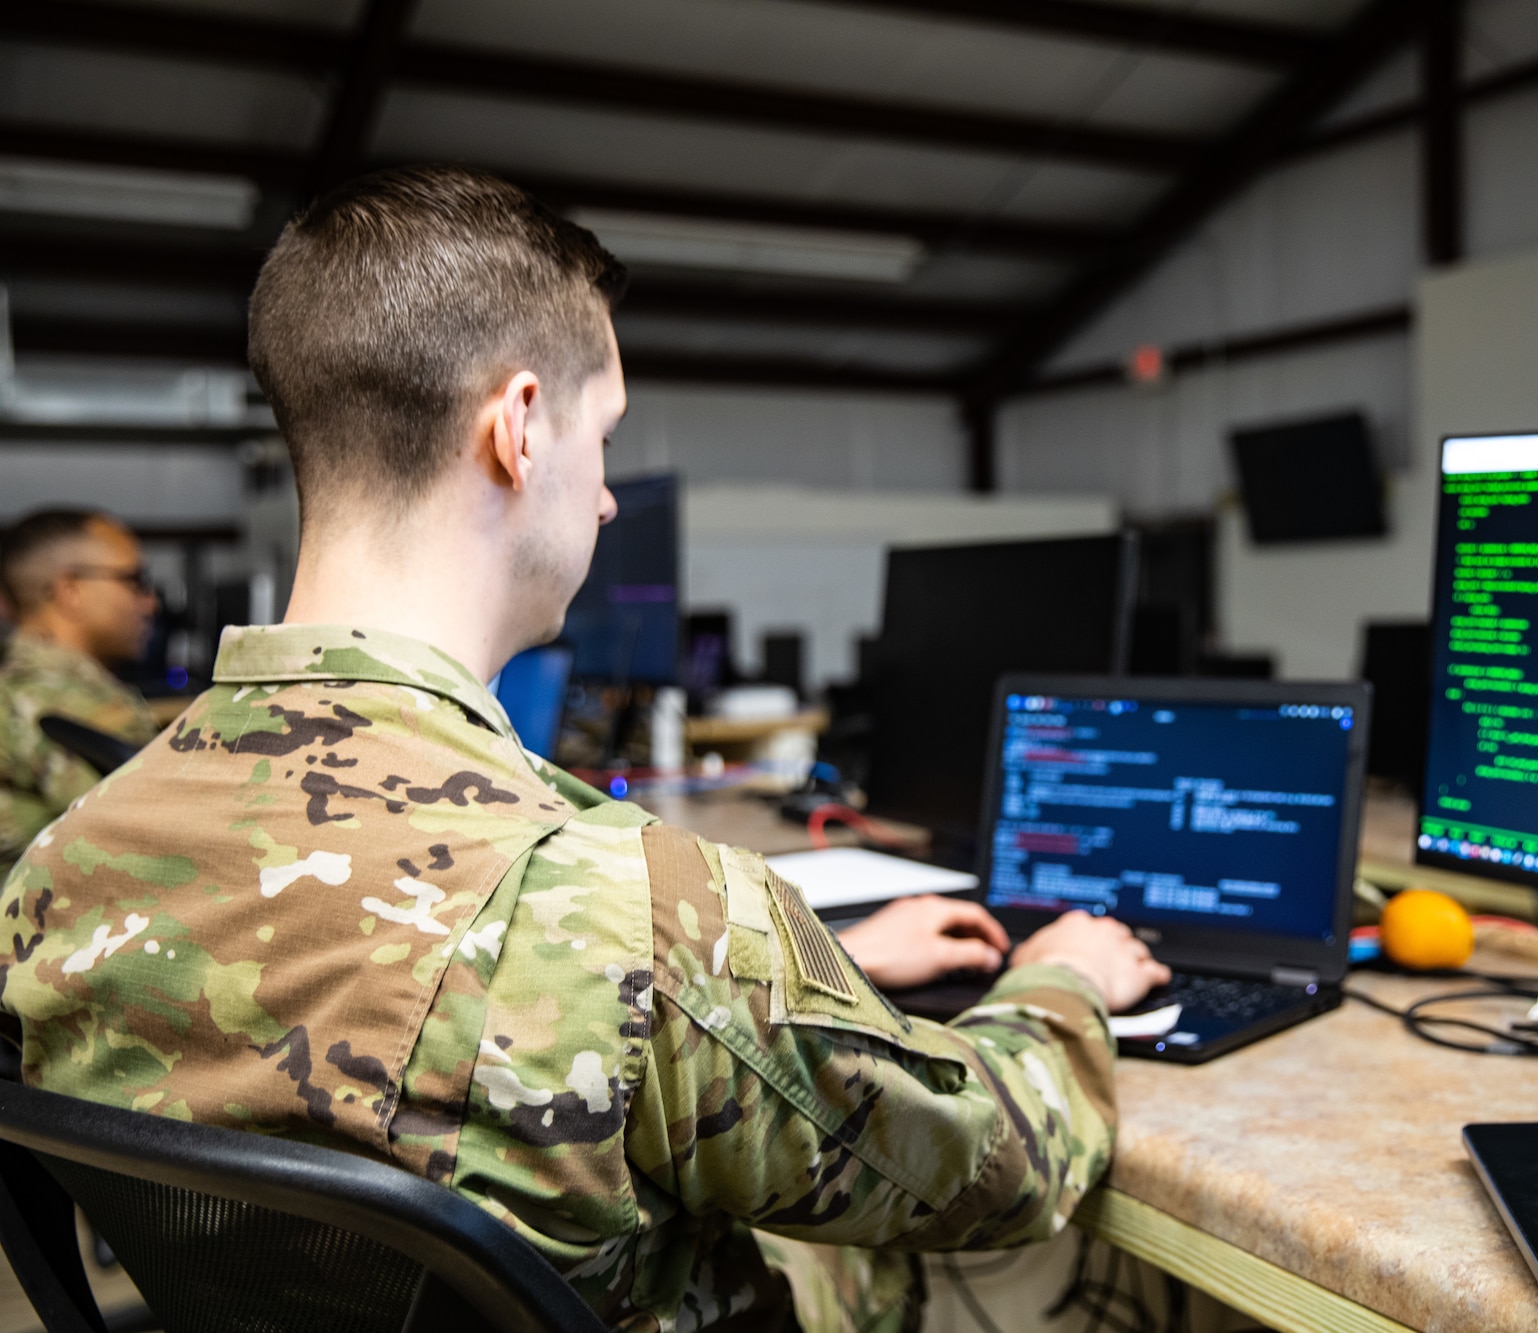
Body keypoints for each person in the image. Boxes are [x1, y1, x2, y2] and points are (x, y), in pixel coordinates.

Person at [0, 167, 1169, 1333]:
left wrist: (787, 980)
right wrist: (1057, 981)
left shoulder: (54, 873)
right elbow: (996, 1168)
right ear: (515, 430)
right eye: (601, 433)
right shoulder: (646, 911)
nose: (606, 497)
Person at [0, 509, 159, 884]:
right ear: (71, 590)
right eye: (134, 580)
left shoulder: (19, 685)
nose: (150, 602)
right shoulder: (76, 704)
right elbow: (163, 846)